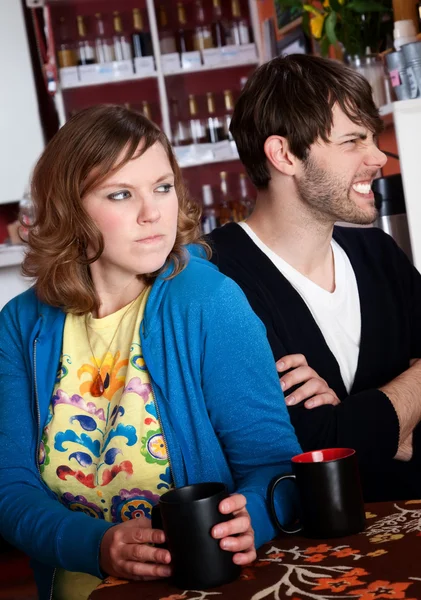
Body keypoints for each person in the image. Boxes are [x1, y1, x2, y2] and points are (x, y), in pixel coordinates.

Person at [0, 105, 301, 600]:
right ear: (67, 209)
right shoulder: (22, 323)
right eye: (121, 194)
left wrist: (254, 517)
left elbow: (276, 467)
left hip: (201, 587)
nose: (152, 211)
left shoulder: (208, 300)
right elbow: (10, 490)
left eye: (162, 187)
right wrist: (96, 546)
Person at [208, 54, 421, 503]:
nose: (378, 156)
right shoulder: (216, 280)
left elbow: (343, 442)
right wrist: (391, 425)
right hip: (307, 559)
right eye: (352, 141)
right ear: (284, 154)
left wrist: (365, 427)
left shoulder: (378, 254)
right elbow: (315, 451)